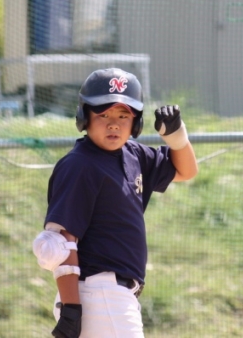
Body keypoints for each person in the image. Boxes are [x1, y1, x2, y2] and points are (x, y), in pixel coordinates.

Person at [33, 67, 198, 338]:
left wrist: (176, 136)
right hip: (99, 295)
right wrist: (72, 308)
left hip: (112, 297)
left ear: (136, 123)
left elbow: (186, 171)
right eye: (103, 114)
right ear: (84, 117)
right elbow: (60, 243)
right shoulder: (80, 164)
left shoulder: (134, 155)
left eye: (123, 115)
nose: (114, 124)